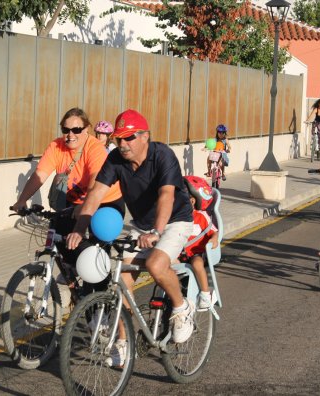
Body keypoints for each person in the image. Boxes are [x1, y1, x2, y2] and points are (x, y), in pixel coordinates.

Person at [66, 109, 194, 367]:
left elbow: (167, 196)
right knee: (123, 280)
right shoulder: (115, 159)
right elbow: (96, 194)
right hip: (142, 225)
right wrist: (80, 228)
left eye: (129, 138)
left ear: (145, 136)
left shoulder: (162, 155)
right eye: (118, 139)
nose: (122, 145)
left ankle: (182, 308)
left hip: (174, 220)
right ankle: (123, 344)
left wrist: (157, 232)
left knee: (157, 264)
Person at [11, 107, 124, 267]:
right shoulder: (56, 146)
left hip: (105, 201)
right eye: (66, 129)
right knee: (59, 235)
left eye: (76, 130)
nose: (70, 135)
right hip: (75, 202)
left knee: (97, 251)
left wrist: (84, 210)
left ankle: (99, 288)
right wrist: (21, 200)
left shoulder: (95, 149)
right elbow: (39, 175)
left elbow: (95, 185)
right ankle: (74, 275)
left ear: (86, 129)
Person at [181, 176, 219, 311]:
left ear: (192, 201)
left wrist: (214, 239)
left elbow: (214, 231)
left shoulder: (201, 216)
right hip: (177, 253)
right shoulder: (173, 218)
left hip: (195, 253)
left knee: (196, 263)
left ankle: (205, 293)